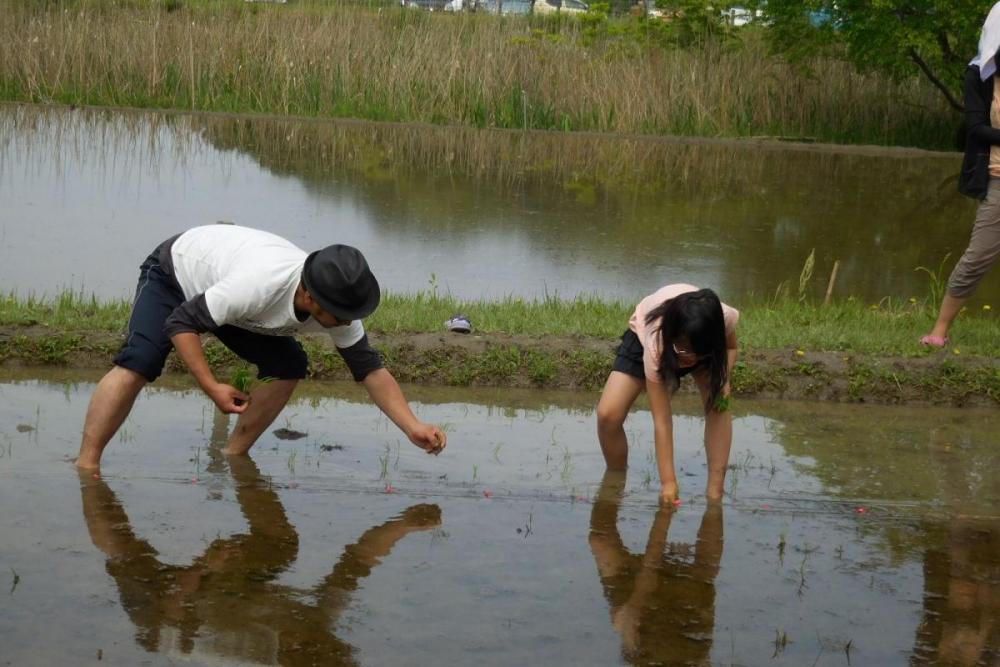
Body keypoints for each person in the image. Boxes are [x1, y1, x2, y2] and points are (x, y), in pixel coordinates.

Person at [75, 223, 446, 469]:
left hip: (233, 304)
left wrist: (412, 426)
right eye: (342, 314)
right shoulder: (258, 285)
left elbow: (370, 371)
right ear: (309, 295)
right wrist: (212, 387)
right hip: (176, 275)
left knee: (288, 364)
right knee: (139, 361)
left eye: (353, 312)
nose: (349, 321)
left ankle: (234, 455)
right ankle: (86, 466)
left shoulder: (338, 306)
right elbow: (180, 322)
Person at [595, 284, 738, 503]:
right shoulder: (656, 341)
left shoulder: (722, 318)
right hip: (656, 343)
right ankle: (615, 479)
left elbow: (730, 348)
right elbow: (662, 421)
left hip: (697, 342)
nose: (690, 359)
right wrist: (668, 483)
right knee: (608, 415)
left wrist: (721, 379)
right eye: (685, 351)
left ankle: (715, 492)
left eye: (697, 354)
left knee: (719, 403)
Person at [922, 2, 1000, 348]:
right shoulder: (979, 75)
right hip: (999, 177)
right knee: (978, 256)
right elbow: (977, 128)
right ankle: (940, 331)